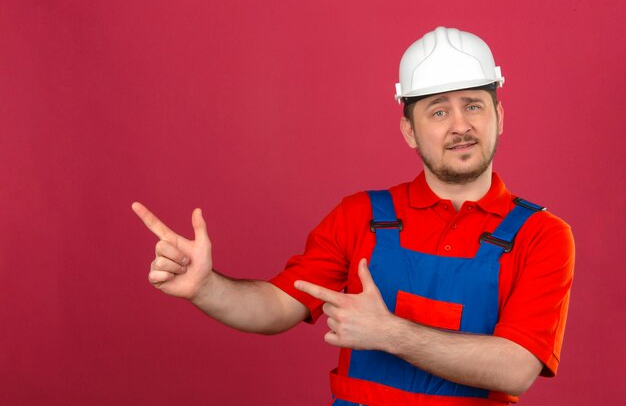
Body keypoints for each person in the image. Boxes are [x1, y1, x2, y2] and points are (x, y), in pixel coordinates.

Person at [132, 26, 575, 405]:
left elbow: (516, 368)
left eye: (473, 105)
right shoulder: (360, 216)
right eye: (438, 110)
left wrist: (389, 333)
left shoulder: (542, 235)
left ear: (498, 115)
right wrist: (206, 288)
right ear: (409, 130)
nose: (460, 125)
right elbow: (276, 307)